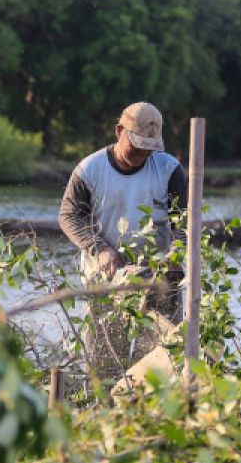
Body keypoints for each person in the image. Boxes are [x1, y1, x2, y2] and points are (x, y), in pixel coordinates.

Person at [59, 102, 188, 378]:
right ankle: (101, 413)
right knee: (105, 363)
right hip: (106, 277)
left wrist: (176, 254)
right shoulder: (90, 169)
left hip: (160, 278)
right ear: (119, 131)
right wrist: (100, 249)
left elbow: (183, 223)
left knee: (160, 362)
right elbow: (69, 216)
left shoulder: (170, 170)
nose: (142, 153)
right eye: (137, 144)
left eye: (149, 147)